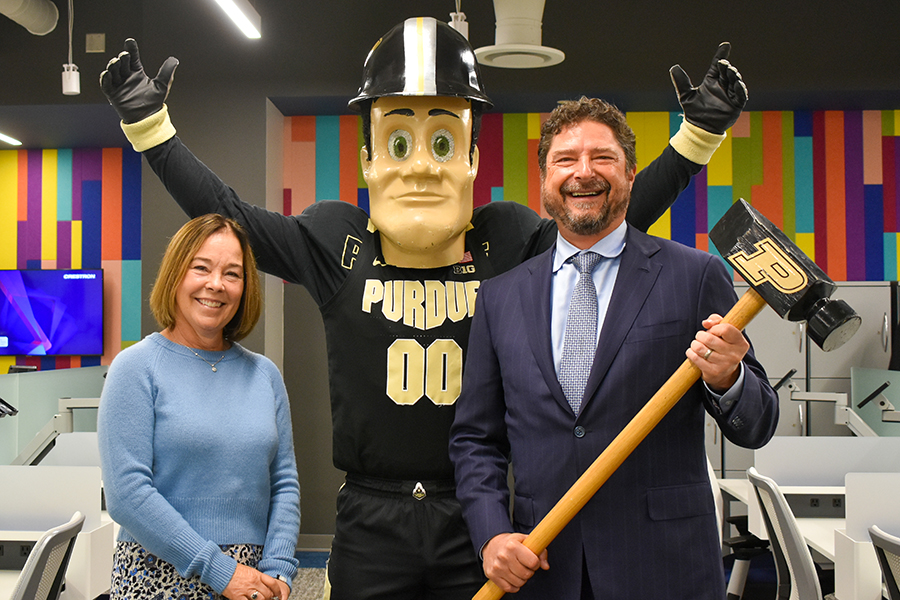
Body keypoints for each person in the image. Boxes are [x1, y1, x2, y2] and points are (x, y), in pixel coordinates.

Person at [99, 17, 747, 599]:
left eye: (440, 144)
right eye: (399, 143)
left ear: (470, 159)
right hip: (371, 511)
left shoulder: (503, 240)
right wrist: (151, 129)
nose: (419, 169)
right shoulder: (339, 242)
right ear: (368, 160)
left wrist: (696, 138)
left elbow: (603, 221)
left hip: (474, 509)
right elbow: (234, 216)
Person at [448, 97, 779, 600]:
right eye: (566, 159)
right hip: (543, 567)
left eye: (602, 157)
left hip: (665, 569)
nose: (583, 172)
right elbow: (476, 439)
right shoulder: (500, 297)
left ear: (629, 173)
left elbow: (757, 425)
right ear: (544, 179)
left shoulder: (694, 276)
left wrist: (729, 379)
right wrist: (491, 535)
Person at [97, 214, 300, 600]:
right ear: (175, 275)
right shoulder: (135, 367)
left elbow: (284, 483)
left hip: (253, 582)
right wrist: (220, 571)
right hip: (158, 574)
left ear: (245, 287)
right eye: (201, 268)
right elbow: (127, 495)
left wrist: (278, 570)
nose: (216, 284)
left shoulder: (265, 375)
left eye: (232, 273)